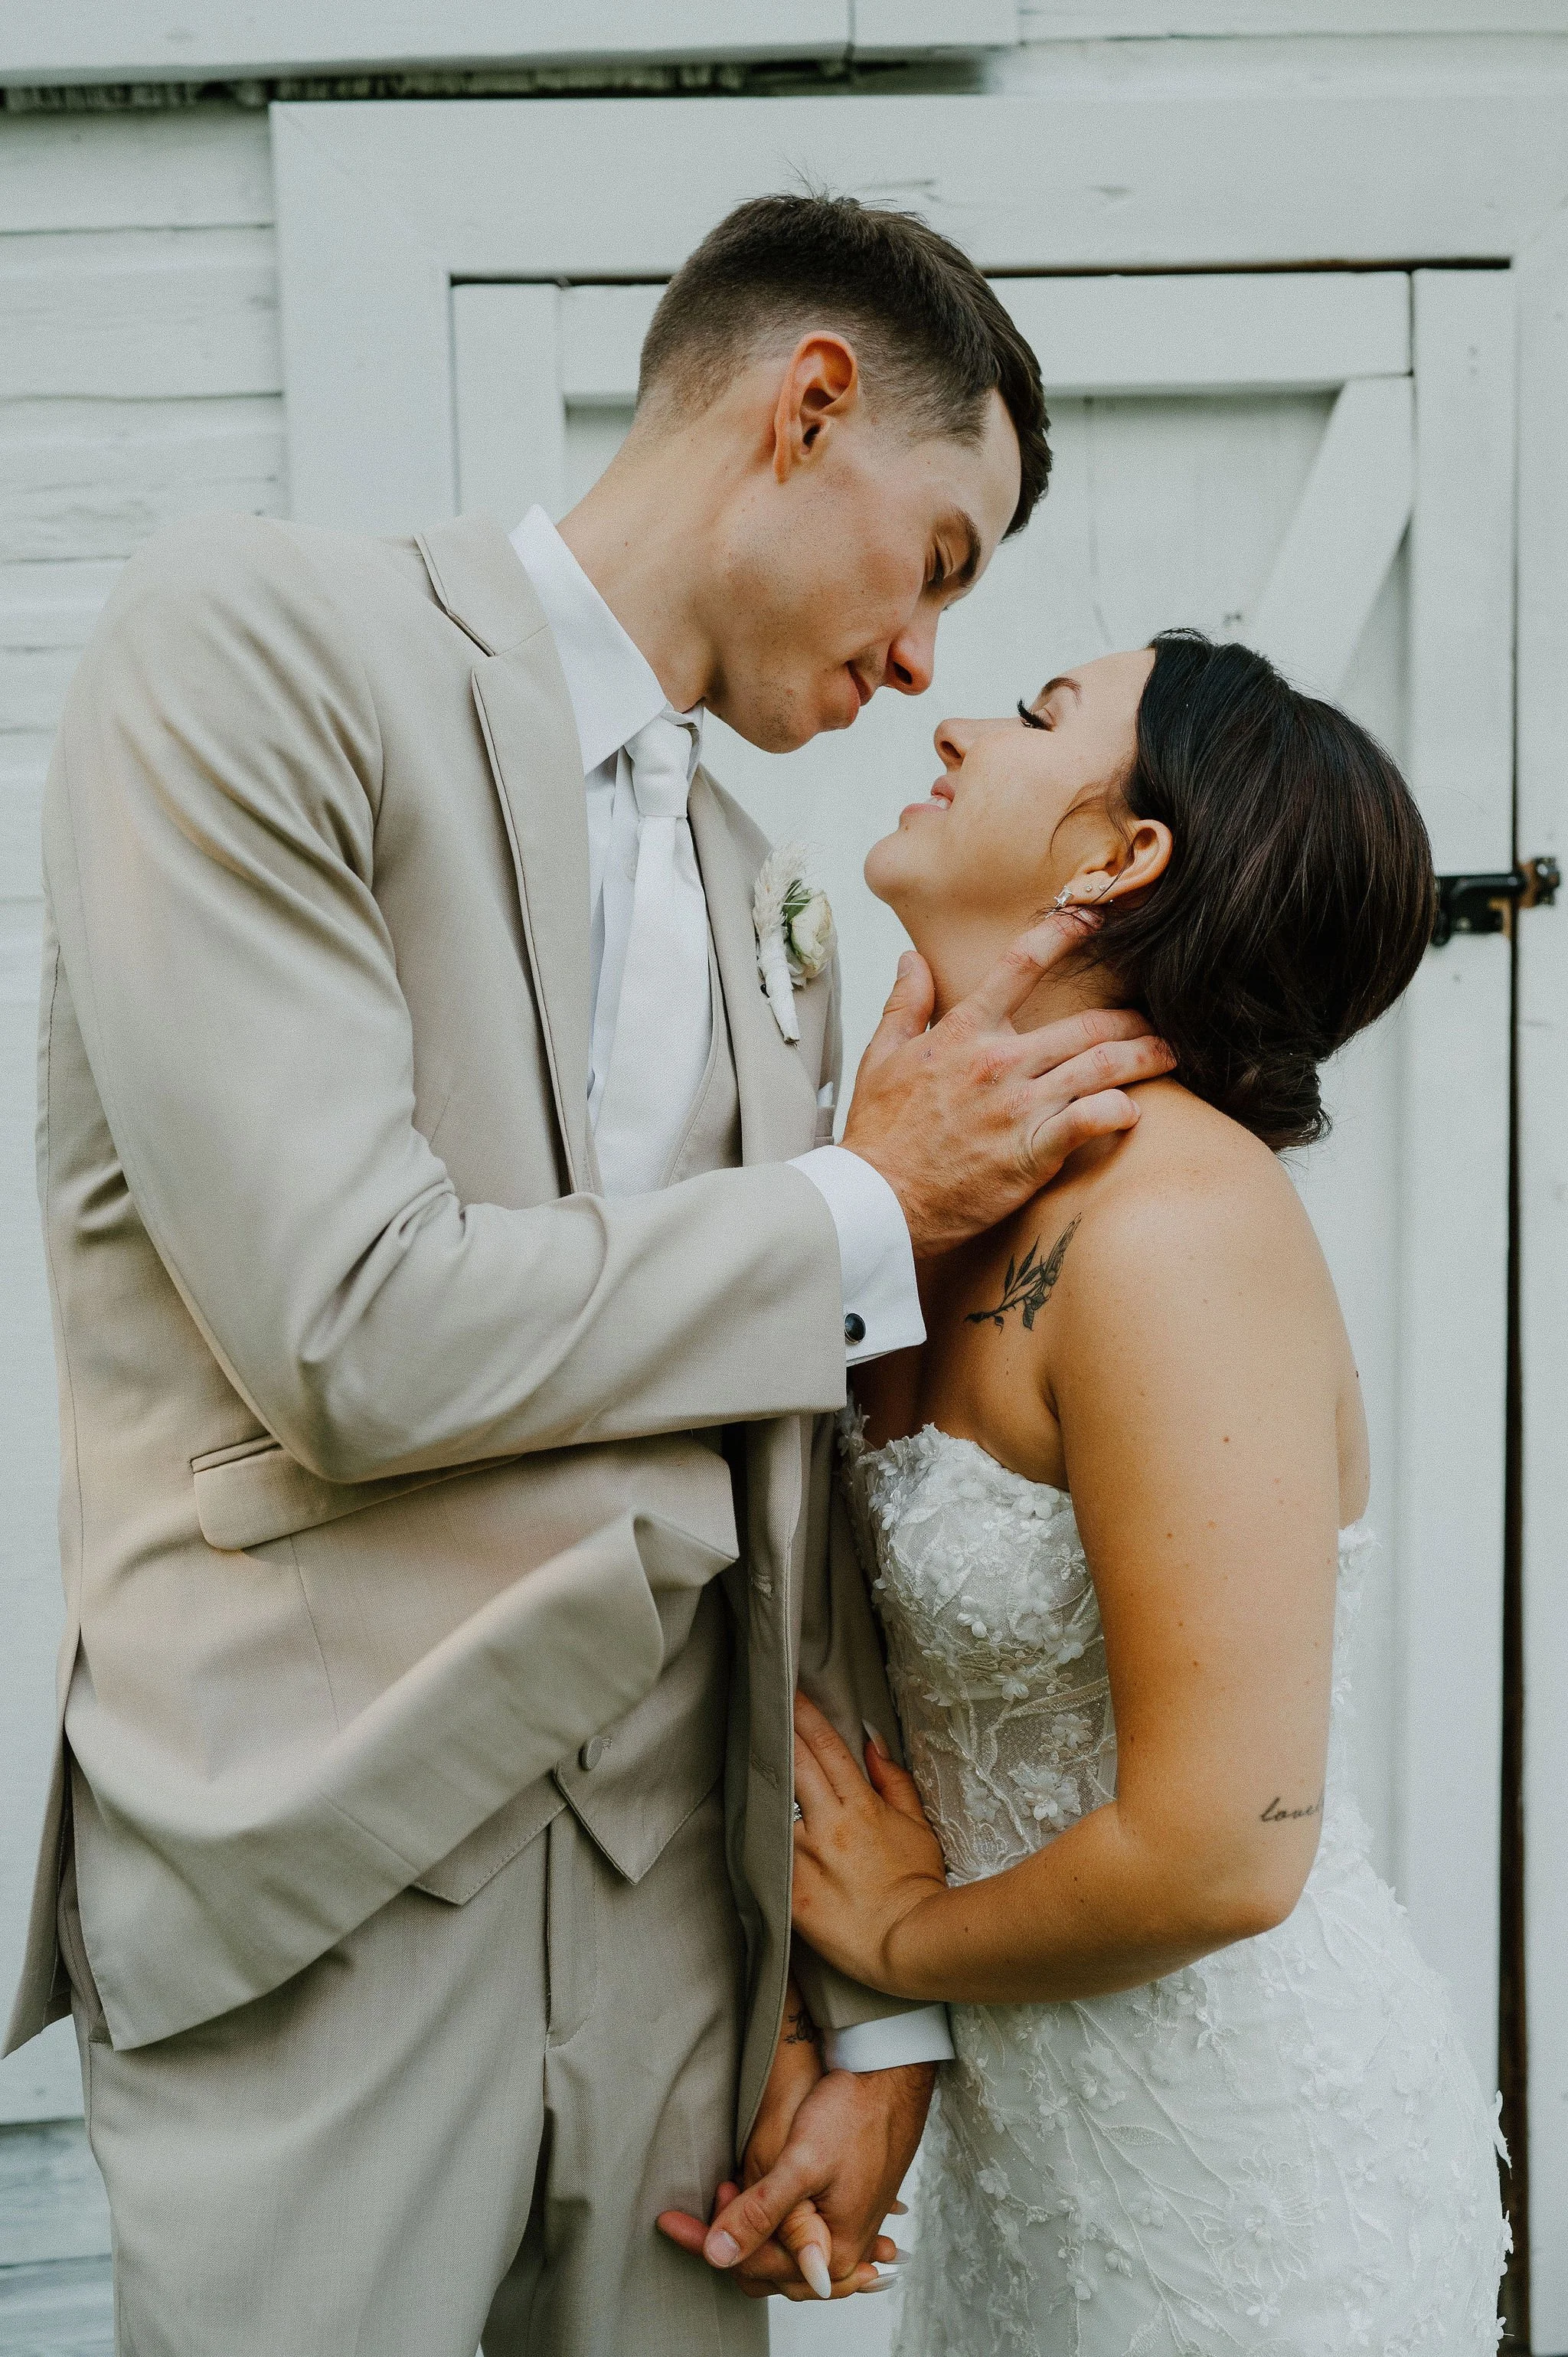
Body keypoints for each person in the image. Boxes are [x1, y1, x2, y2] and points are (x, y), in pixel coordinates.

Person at [3, 194, 1174, 2353]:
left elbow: (792, 1453)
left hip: (673, 1945)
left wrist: (870, 2008)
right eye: (936, 564)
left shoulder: (773, 894)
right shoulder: (255, 649)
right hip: (319, 1893)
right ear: (808, 404)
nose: (927, 660)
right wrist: (855, 1205)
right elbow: (351, 1321)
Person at [782, 633, 1511, 2349]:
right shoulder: (923, 1192)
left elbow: (1218, 1853)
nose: (955, 721)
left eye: (1038, 716)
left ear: (1124, 859)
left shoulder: (1178, 1224)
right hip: (1033, 2175)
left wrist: (898, 1933)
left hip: (1240, 2193)